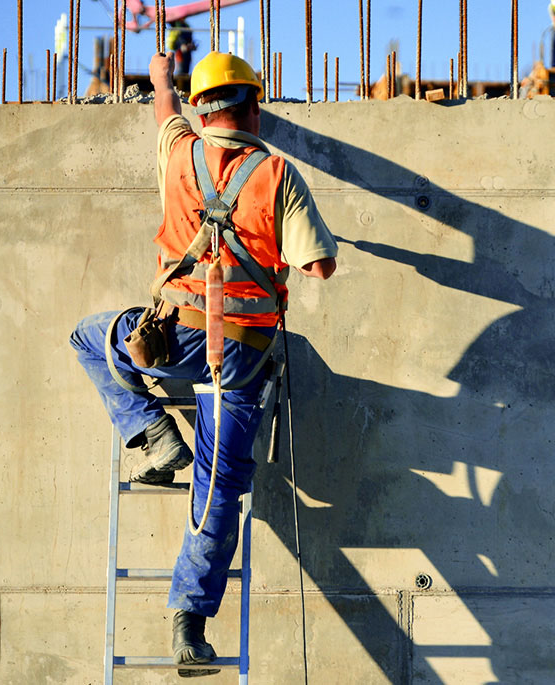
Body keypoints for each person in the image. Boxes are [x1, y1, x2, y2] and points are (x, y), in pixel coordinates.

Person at [69, 50, 338, 675]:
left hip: (171, 344)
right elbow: (319, 265)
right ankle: (189, 624)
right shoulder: (276, 174)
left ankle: (154, 435)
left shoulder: (178, 151)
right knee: (218, 492)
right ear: (253, 105)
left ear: (200, 107)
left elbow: (165, 110)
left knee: (91, 339)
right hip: (240, 357)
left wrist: (163, 78)